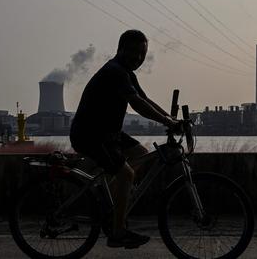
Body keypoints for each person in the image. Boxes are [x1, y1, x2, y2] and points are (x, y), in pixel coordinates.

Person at [69, 29, 179, 249]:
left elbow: (144, 99)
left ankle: (112, 205)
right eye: (134, 52)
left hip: (108, 133)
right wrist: (168, 123)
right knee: (127, 173)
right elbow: (137, 105)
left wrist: (171, 118)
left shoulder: (127, 73)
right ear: (121, 49)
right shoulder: (115, 71)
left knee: (141, 155)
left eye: (142, 54)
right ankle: (117, 232)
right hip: (91, 134)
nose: (138, 58)